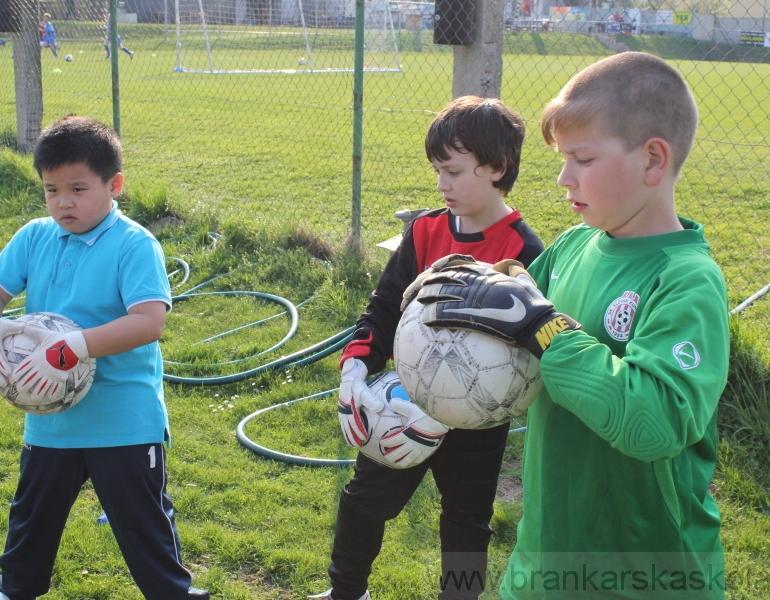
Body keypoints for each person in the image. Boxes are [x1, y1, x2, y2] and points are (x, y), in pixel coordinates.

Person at [407, 52, 730, 600]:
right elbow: (519, 303)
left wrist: (546, 327)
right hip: (546, 554)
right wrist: (477, 288)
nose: (563, 177)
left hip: (644, 574)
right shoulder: (576, 246)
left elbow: (654, 425)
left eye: (581, 158)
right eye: (562, 158)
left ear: (653, 160)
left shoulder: (687, 281)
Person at [313, 96, 544, 600]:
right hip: (406, 402)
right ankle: (345, 592)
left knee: (466, 522)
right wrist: (356, 368)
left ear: (498, 168)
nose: (441, 184)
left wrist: (459, 404)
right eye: (437, 170)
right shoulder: (423, 231)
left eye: (454, 171)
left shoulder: (526, 252)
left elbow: (533, 350)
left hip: (479, 421)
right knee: (363, 500)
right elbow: (383, 309)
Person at [0, 116, 208, 600]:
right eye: (51, 189)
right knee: (31, 517)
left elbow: (148, 322)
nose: (63, 202)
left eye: (77, 189)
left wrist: (75, 345)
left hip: (122, 417)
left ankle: (173, 595)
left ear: (114, 184)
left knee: (143, 526)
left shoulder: (134, 245)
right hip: (50, 417)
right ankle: (13, 591)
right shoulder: (35, 236)